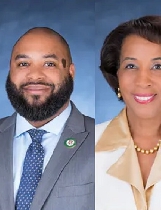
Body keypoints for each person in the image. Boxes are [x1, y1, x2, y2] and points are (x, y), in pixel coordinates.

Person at [95, 15, 161, 210]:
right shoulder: (87, 145)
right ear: (117, 73)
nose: (143, 80)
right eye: (131, 66)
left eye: (157, 66)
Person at [0, 27, 94, 210]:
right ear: (10, 71)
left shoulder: (103, 140)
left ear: (70, 72)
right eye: (23, 64)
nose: (35, 75)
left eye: (49, 64)